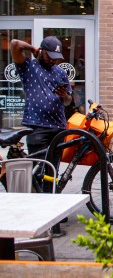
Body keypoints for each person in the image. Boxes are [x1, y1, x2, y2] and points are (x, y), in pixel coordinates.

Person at [10, 36, 72, 191]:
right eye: (50, 56)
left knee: (52, 170)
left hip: (58, 127)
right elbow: (14, 44)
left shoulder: (60, 72)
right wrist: (32, 48)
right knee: (37, 170)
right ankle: (37, 206)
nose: (53, 61)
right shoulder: (28, 67)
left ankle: (50, 205)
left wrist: (64, 95)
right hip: (38, 127)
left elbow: (68, 101)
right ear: (42, 51)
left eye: (56, 58)